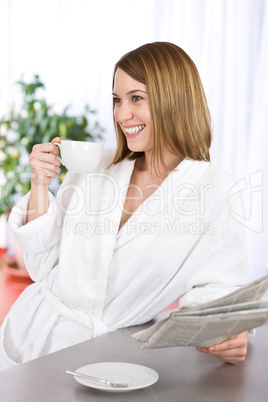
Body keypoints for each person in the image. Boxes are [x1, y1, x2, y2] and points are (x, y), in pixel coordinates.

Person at [0, 42, 249, 370]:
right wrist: (39, 184)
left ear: (173, 98)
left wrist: (230, 335)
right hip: (27, 336)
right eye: (117, 100)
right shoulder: (96, 166)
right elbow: (41, 267)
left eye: (136, 98)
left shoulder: (213, 190)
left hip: (112, 361)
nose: (121, 114)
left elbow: (220, 292)